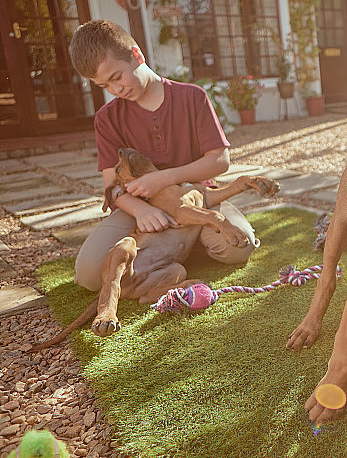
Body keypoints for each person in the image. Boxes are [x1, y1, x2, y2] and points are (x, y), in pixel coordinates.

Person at [70, 19, 258, 292]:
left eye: (117, 77)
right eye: (105, 86)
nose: (116, 90)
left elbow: (219, 160)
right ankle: (180, 246)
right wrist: (142, 209)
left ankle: (181, 244)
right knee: (89, 275)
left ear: (136, 55)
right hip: (140, 210)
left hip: (196, 197)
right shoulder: (107, 118)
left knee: (239, 248)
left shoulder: (193, 97)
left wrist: (163, 178)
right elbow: (111, 187)